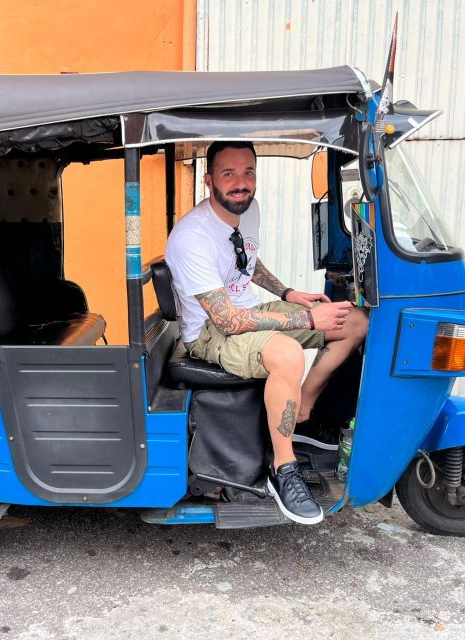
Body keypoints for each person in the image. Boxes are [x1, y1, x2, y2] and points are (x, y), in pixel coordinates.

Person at [165, 141, 367, 525]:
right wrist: (309, 320)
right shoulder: (191, 237)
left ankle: (303, 413)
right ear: (209, 180)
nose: (241, 183)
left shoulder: (247, 209)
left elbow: (247, 260)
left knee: (355, 322)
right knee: (287, 352)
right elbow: (227, 321)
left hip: (248, 312)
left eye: (248, 172)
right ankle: (283, 469)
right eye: (229, 174)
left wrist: (288, 293)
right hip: (210, 332)